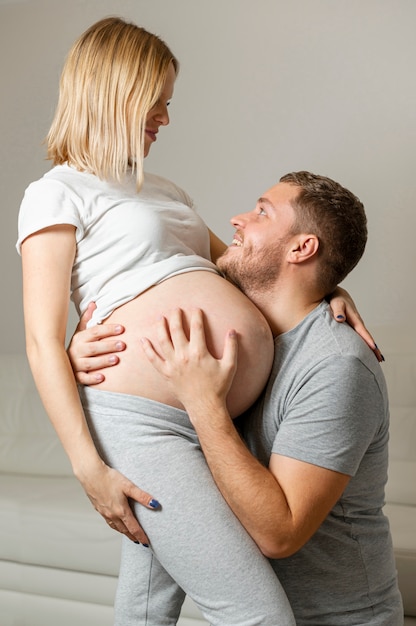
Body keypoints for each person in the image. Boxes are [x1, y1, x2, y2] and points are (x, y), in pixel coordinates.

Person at [16, 15, 299, 626]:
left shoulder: (165, 189)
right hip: (143, 420)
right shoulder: (57, 192)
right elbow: (41, 340)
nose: (166, 120)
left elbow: (239, 273)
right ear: (115, 91)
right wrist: (89, 467)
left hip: (212, 416)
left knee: (149, 605)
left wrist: (328, 292)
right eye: (157, 103)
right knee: (257, 614)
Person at [132, 171, 402, 625]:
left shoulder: (337, 366)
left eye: (261, 212)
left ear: (302, 248)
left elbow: (280, 535)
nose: (237, 219)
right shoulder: (237, 328)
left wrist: (204, 404)